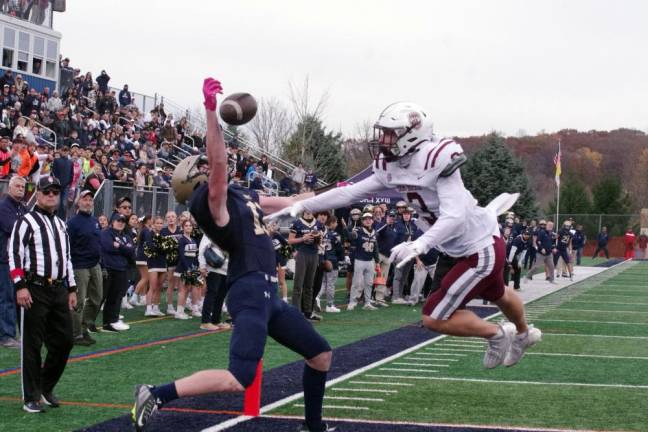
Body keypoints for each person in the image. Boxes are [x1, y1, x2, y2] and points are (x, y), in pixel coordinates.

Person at [269, 101, 540, 369]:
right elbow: (349, 192)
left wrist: (421, 244)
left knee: (434, 317)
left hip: (479, 246)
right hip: (465, 245)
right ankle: (524, 334)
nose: (383, 139)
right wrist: (301, 206)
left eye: (389, 133)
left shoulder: (436, 158)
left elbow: (454, 215)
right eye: (383, 132)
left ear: (412, 134)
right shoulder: (391, 166)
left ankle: (498, 334)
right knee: (498, 293)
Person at [132, 78, 333, 432]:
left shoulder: (240, 198)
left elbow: (291, 203)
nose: (208, 166)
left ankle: (313, 427)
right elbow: (220, 163)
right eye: (203, 167)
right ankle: (155, 393)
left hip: (269, 294)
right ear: (194, 182)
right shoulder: (208, 204)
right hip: (251, 292)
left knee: (320, 355)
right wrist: (211, 112)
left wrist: (341, 192)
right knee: (238, 377)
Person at [8, 176, 77, 413]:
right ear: (37, 194)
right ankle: (31, 396)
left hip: (58, 289)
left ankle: (45, 386)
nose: (51, 195)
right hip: (34, 288)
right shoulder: (25, 221)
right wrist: (20, 286)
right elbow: (14, 255)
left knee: (66, 341)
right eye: (46, 192)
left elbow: (66, 258)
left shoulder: (60, 223)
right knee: (32, 345)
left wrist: (72, 288)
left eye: (55, 192)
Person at [66, 189, 103, 344]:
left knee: (97, 298)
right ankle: (76, 334)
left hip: (95, 265)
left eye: (90, 200)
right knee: (79, 301)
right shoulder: (72, 223)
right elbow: (68, 247)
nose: (88, 202)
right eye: (85, 199)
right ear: (78, 202)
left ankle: (84, 326)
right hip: (79, 266)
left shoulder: (95, 221)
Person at [0, 176, 28, 348]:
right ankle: (6, 335)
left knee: (16, 298)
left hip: (17, 260)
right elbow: (15, 229)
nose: (20, 189)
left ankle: (15, 332)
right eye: (17, 186)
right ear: (9, 188)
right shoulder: (3, 207)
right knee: (7, 298)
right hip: (5, 260)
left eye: (23, 186)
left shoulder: (22, 207)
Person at [100, 213, 135, 332]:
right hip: (109, 269)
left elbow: (131, 251)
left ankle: (112, 321)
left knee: (117, 296)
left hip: (122, 269)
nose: (120, 223)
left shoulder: (126, 235)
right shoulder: (106, 233)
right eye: (118, 220)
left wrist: (119, 247)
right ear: (112, 222)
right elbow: (108, 247)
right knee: (102, 296)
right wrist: (124, 248)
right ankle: (88, 323)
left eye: (123, 221)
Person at [288, 210, 324, 321]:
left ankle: (308, 312)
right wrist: (303, 238)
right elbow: (290, 240)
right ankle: (295, 312)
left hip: (314, 254)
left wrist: (319, 238)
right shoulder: (297, 223)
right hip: (302, 253)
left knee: (309, 285)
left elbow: (321, 241)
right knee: (298, 284)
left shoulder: (318, 224)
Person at [197, 234, 230, 331]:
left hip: (226, 268)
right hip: (214, 266)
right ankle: (205, 321)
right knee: (212, 292)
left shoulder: (229, 230)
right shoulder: (210, 230)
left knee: (221, 295)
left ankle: (216, 320)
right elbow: (203, 248)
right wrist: (202, 265)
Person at [348, 212, 379, 310]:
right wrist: (348, 231)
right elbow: (351, 237)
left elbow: (375, 248)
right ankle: (352, 302)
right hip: (359, 260)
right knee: (356, 282)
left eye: (370, 218)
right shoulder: (358, 230)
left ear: (372, 220)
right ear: (362, 221)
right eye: (366, 219)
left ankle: (367, 302)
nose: (368, 220)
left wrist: (377, 261)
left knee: (369, 283)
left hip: (370, 261)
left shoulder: (374, 232)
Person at [174, 220, 201, 319]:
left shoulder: (193, 240)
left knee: (188, 289)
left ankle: (183, 311)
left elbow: (194, 256)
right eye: (186, 225)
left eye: (190, 225)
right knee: (183, 290)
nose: (188, 227)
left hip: (192, 269)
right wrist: (188, 269)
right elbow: (181, 255)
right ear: (183, 227)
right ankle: (179, 312)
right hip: (183, 269)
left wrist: (195, 268)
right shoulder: (182, 240)